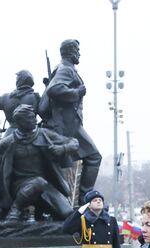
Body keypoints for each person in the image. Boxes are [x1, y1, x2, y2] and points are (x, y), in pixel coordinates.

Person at [0, 104, 78, 221]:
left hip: (44, 188)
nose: (35, 120)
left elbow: (73, 142)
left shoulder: (44, 135)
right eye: (31, 118)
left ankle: (41, 209)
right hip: (18, 187)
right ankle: (15, 209)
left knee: (67, 215)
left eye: (34, 117)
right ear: (21, 122)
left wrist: (63, 149)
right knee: (39, 182)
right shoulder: (8, 142)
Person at [40, 39, 102, 203]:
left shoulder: (62, 68)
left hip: (66, 124)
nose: (79, 54)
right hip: (67, 126)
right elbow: (54, 89)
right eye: (77, 50)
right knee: (94, 157)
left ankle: (70, 201)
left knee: (58, 167)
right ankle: (84, 199)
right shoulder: (66, 69)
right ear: (70, 52)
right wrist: (77, 92)